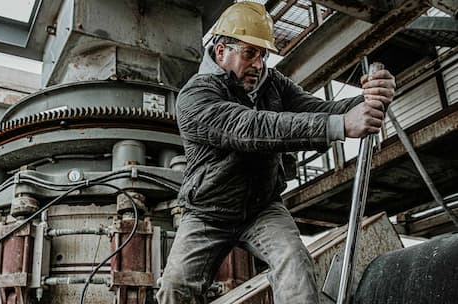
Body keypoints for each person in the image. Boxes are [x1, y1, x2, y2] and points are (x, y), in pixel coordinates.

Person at [156, 2, 395, 304]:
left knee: (296, 268)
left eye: (263, 54)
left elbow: (320, 110)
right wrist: (341, 125)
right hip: (208, 212)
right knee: (174, 287)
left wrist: (370, 100)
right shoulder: (195, 96)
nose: (258, 64)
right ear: (220, 51)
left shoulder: (273, 84)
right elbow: (251, 128)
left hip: (262, 207)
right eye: (249, 53)